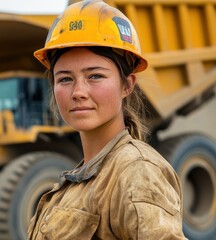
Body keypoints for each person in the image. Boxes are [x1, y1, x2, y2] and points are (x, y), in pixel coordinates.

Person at [28, 0, 186, 239]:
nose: (78, 91)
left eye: (95, 76)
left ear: (127, 85)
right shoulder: (76, 183)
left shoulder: (137, 171)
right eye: (65, 79)